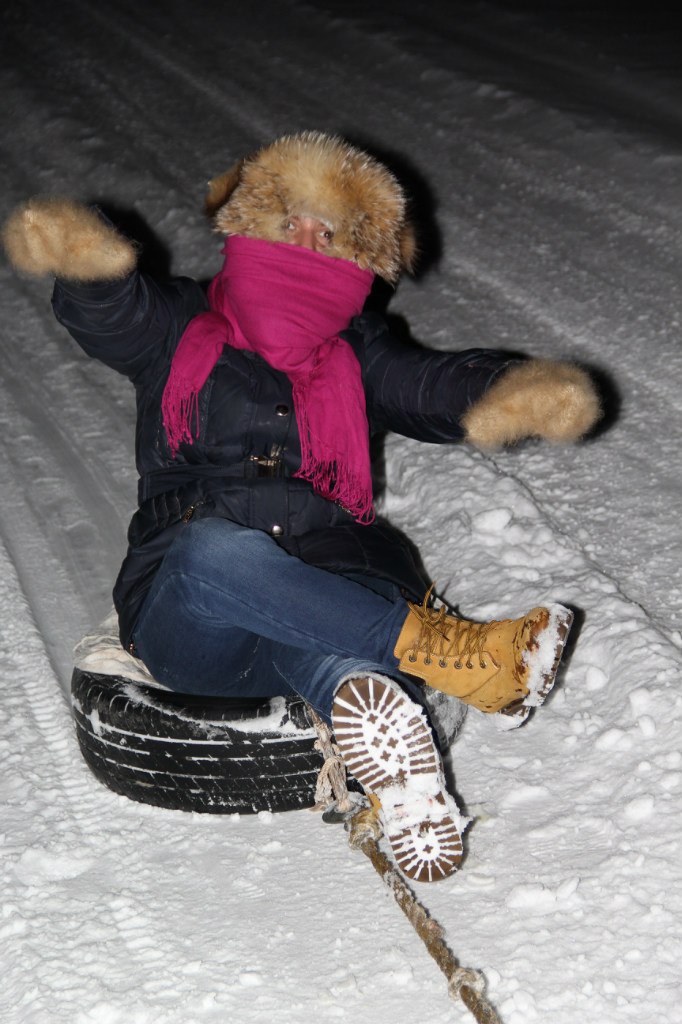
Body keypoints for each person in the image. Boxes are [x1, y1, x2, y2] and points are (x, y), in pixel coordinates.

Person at [3, 131, 601, 883]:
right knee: (212, 552)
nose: (307, 243)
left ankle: (405, 785)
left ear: (356, 259)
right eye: (293, 222)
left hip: (326, 594)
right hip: (198, 625)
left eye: (329, 234)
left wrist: (505, 391)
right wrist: (88, 267)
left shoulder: (358, 350)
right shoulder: (181, 323)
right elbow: (116, 313)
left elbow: (426, 384)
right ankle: (456, 656)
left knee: (336, 652)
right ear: (255, 225)